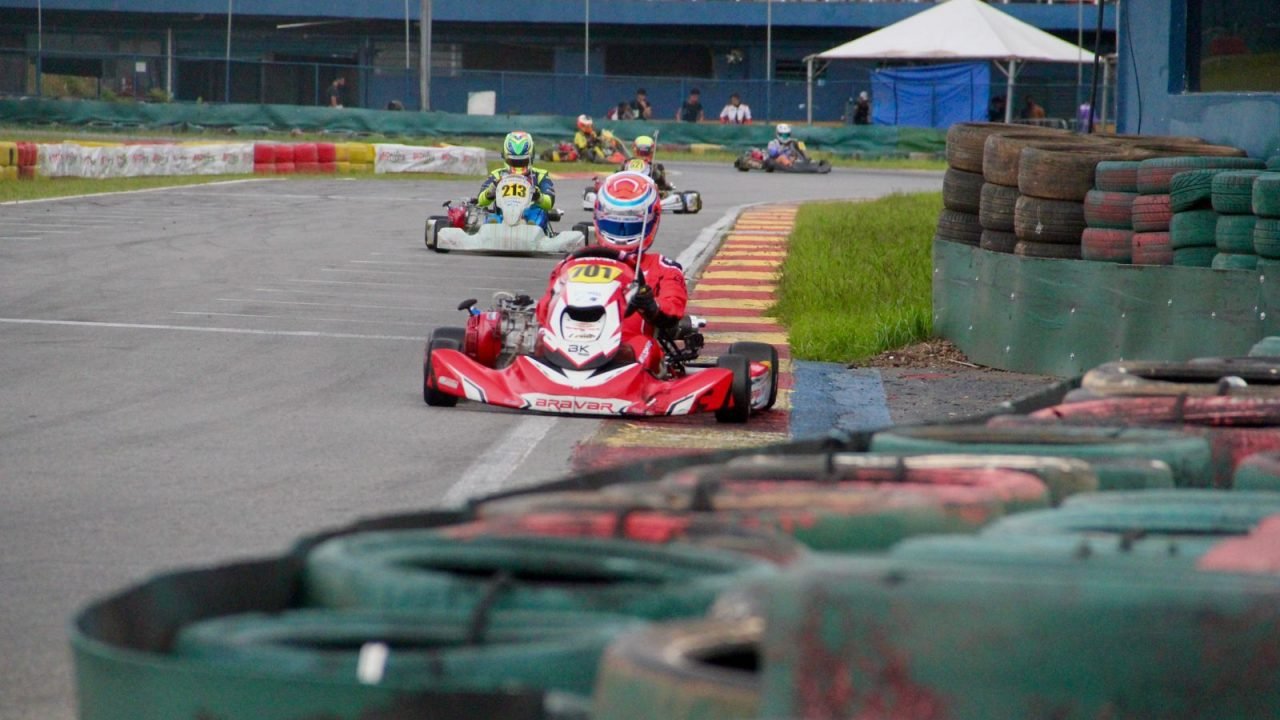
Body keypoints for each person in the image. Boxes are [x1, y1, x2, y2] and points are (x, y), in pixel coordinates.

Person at [537, 171, 686, 374]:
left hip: (626, 350)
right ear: (598, 219)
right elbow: (545, 310)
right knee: (535, 339)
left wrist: (652, 306)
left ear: (652, 221)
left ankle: (627, 381)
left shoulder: (663, 268)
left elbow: (674, 307)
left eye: (630, 226)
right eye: (613, 224)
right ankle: (546, 367)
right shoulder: (573, 263)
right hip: (565, 342)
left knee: (643, 346)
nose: (621, 233)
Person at [476, 131, 556, 231]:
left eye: (522, 161)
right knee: (491, 217)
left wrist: (538, 196)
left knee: (538, 213)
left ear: (530, 158)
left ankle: (532, 228)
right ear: (505, 157)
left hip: (530, 218)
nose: (518, 165)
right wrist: (490, 192)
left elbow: (549, 202)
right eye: (513, 161)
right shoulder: (497, 175)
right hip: (503, 217)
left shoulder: (540, 175)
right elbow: (480, 201)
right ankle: (493, 229)